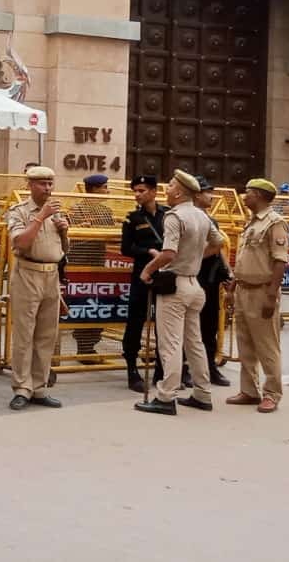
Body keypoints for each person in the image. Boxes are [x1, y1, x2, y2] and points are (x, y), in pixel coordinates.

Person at [135, 170, 223, 416]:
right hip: (195, 285)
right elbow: (218, 243)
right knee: (193, 342)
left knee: (170, 344)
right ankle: (202, 394)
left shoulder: (174, 217)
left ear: (180, 191)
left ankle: (165, 397)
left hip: (175, 286)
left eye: (171, 185)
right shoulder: (202, 216)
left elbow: (169, 253)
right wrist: (195, 257)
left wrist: (149, 269)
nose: (166, 189)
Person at [6, 166, 68, 410]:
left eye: (50, 183)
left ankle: (40, 387)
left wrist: (64, 231)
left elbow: (64, 250)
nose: (48, 188)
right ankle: (22, 387)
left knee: (46, 335)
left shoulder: (57, 212)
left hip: (51, 276)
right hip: (27, 274)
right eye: (42, 184)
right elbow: (20, 243)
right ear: (30, 185)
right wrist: (40, 216)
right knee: (24, 334)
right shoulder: (19, 212)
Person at [226, 178, 288, 413]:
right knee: (245, 344)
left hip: (262, 291)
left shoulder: (275, 223)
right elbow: (243, 258)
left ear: (260, 196)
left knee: (267, 345)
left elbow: (280, 261)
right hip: (243, 290)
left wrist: (271, 296)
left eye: (249, 192)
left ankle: (272, 393)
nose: (244, 196)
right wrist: (233, 286)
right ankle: (250, 391)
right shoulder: (250, 222)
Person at [120, 175, 168, 392]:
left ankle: (162, 370)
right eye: (135, 191)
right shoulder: (132, 219)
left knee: (164, 323)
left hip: (166, 274)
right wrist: (148, 251)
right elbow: (126, 249)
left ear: (154, 191)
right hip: (142, 274)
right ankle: (132, 369)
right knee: (135, 321)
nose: (138, 195)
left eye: (142, 190)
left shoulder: (169, 215)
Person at [68, 173, 116, 360]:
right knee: (82, 305)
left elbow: (111, 233)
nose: (107, 191)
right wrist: (82, 227)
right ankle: (84, 347)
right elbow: (71, 238)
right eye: (104, 187)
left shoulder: (105, 211)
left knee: (97, 305)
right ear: (94, 189)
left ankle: (90, 346)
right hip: (79, 265)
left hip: (98, 264)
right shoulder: (76, 210)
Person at [194, 176, 232, 387]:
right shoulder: (188, 217)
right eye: (208, 192)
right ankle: (186, 369)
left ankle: (210, 367)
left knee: (210, 328)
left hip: (210, 281)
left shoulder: (211, 219)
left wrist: (228, 273)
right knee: (191, 328)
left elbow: (220, 248)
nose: (212, 196)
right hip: (194, 278)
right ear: (197, 194)